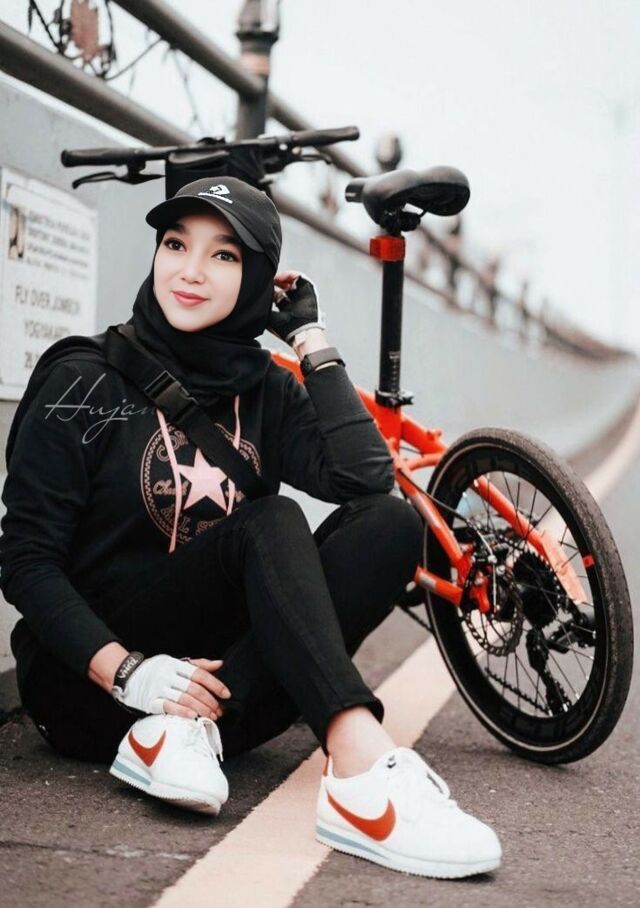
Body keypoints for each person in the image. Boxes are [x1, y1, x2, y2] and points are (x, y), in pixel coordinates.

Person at [0, 176, 501, 879]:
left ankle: (184, 734)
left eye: (224, 256)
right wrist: (131, 673)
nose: (190, 271)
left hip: (217, 705)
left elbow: (365, 480)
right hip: (89, 692)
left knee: (390, 525)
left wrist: (311, 340)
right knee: (271, 520)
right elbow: (24, 561)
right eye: (176, 245)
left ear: (259, 279)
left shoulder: (266, 389)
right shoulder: (84, 379)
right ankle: (359, 768)